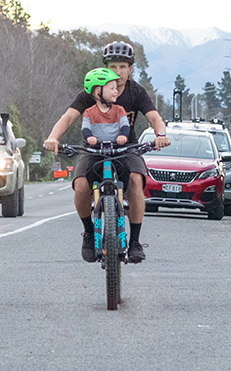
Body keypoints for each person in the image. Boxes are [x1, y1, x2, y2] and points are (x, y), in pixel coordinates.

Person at [44, 42, 170, 263]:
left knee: (135, 180)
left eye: (123, 67)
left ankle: (135, 242)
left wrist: (161, 135)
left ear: (130, 69)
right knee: (81, 185)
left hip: (126, 149)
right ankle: (89, 231)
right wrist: (53, 137)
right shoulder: (93, 92)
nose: (118, 72)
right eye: (113, 67)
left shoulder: (136, 91)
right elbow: (68, 117)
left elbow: (154, 117)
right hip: (94, 150)